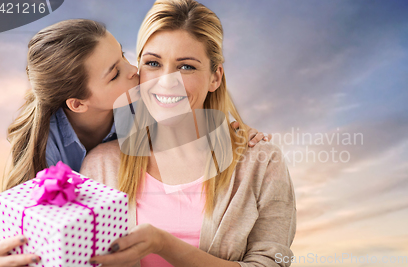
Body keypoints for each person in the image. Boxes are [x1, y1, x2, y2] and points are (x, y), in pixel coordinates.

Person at [0, 19, 269, 267]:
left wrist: (230, 127)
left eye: (122, 55)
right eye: (114, 73)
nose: (134, 70)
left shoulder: (138, 104)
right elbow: (29, 239)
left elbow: (191, 107)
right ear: (78, 103)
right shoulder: (43, 149)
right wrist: (7, 254)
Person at [80, 0, 296, 266]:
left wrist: (165, 245)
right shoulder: (100, 166)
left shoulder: (262, 163)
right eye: (153, 63)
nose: (166, 81)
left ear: (215, 77)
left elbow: (272, 263)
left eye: (186, 67)